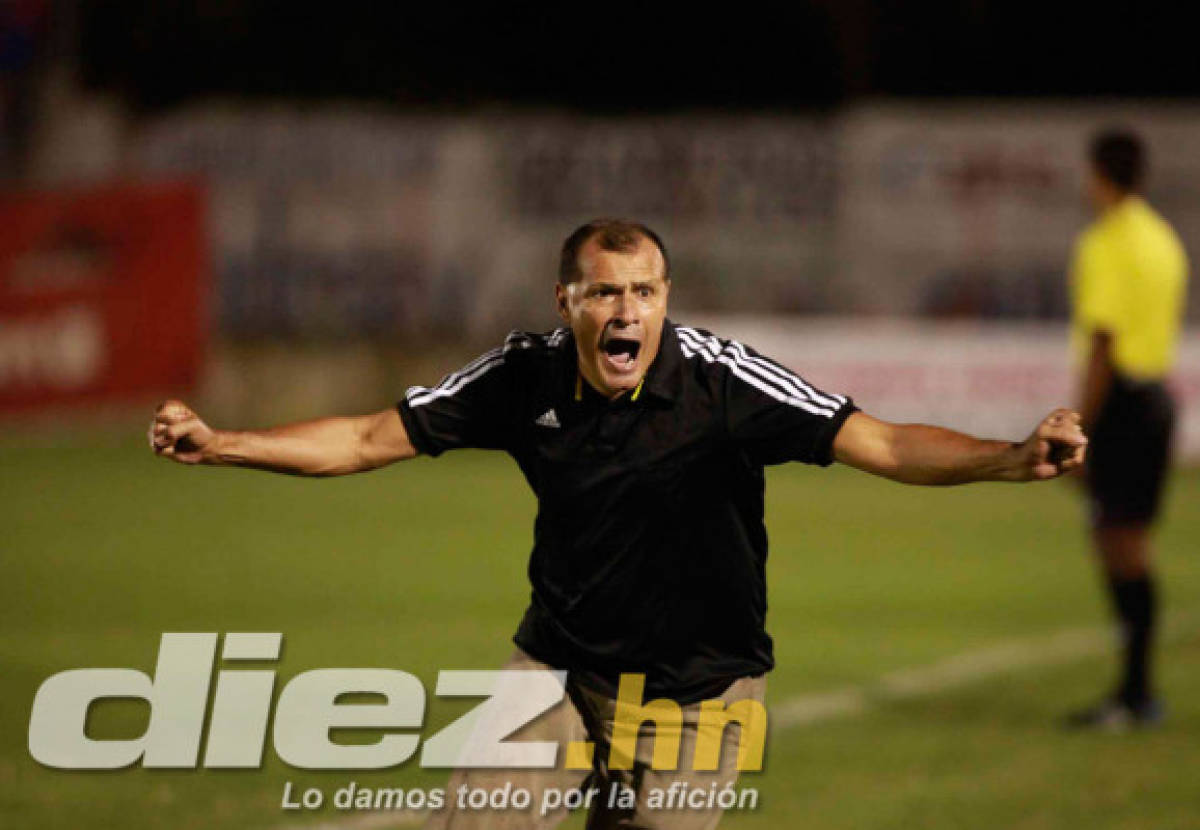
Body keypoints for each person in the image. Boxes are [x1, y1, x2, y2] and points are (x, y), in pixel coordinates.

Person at [150, 218, 1086, 829]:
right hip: (560, 666)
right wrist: (224, 442)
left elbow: (879, 443)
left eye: (644, 291)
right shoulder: (524, 374)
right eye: (604, 292)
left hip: (699, 694)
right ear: (568, 303)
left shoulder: (722, 381)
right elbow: (361, 437)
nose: (625, 310)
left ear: (666, 301)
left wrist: (1009, 457)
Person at [1066, 130, 1188, 729]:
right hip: (1155, 400)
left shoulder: (1108, 242)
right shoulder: (1162, 238)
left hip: (1124, 406)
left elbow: (1103, 343)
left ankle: (1135, 694)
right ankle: (1136, 690)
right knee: (1122, 542)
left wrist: (1079, 426)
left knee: (1121, 545)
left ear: (1100, 175)